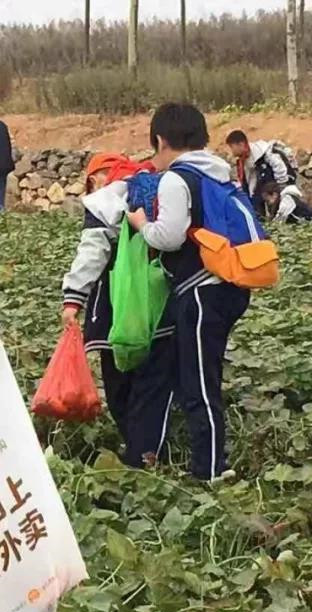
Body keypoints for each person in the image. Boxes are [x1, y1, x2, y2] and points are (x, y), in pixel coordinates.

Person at [128, 103, 250, 481]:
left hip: (201, 291)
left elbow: (169, 236)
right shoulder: (217, 173)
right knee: (197, 372)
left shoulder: (176, 179)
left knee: (198, 380)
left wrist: (141, 223)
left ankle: (211, 469)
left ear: (161, 140)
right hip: (229, 287)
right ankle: (207, 459)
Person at [60, 153, 176, 467]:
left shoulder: (106, 201)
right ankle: (146, 453)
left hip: (117, 313)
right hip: (161, 307)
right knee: (152, 386)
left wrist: (73, 298)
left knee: (119, 384)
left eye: (90, 180)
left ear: (101, 174)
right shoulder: (163, 189)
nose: (89, 187)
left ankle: (137, 453)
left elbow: (92, 252)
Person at [225, 130, 301, 217]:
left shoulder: (265, 153)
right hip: (263, 187)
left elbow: (279, 167)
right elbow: (250, 178)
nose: (232, 151)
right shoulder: (243, 161)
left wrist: (281, 187)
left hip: (277, 185)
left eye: (232, 147)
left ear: (241, 144)